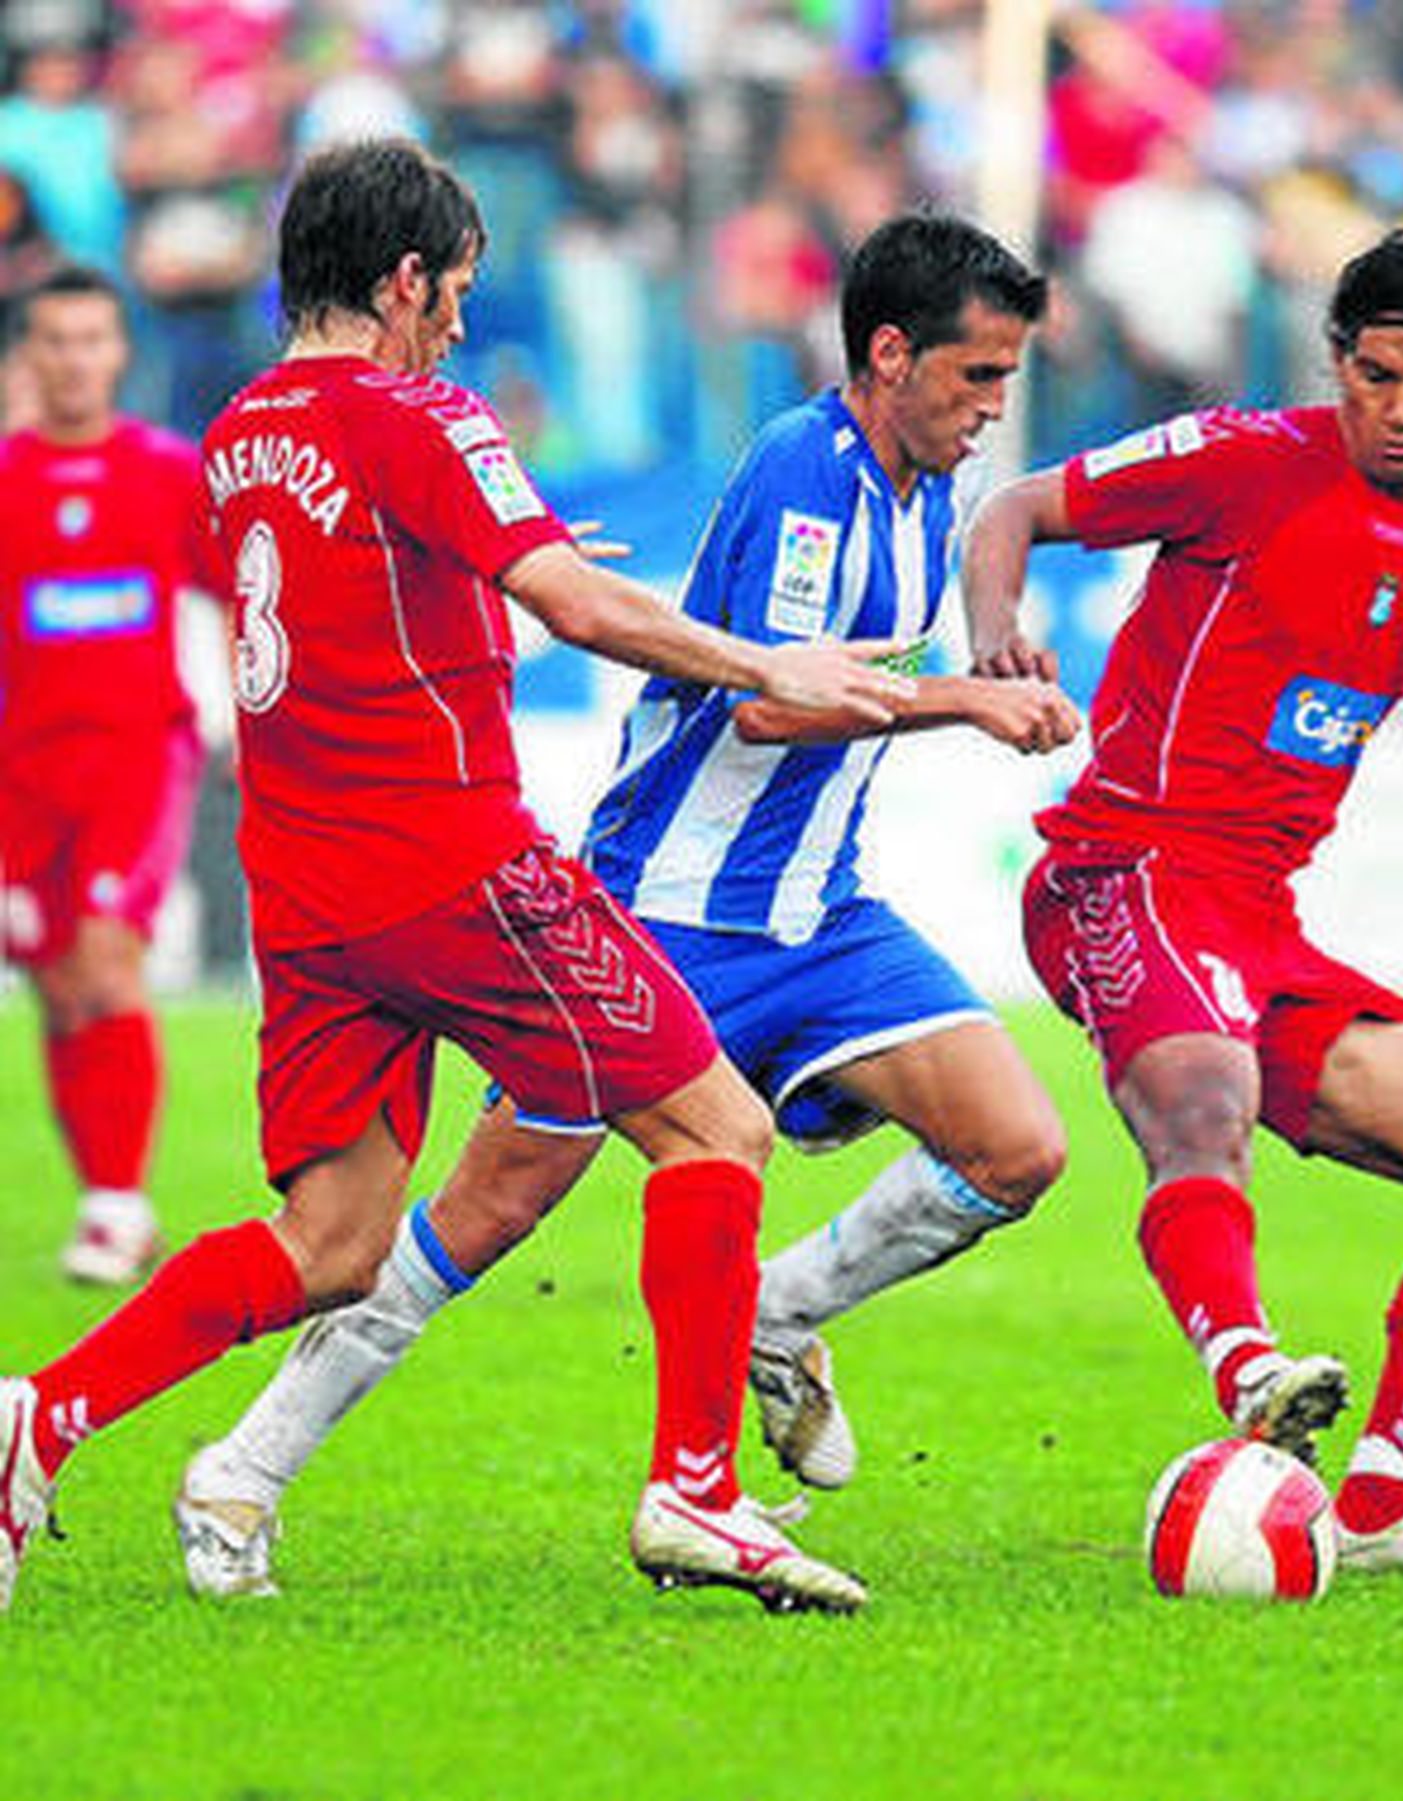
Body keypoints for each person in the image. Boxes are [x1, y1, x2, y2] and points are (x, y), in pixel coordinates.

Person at [0, 137, 913, 1617]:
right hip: (448, 859)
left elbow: (381, 586)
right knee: (716, 1127)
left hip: (303, 885)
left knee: (335, 1242)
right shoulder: (417, 407)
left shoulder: (238, 431)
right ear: (404, 279)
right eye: (458, 292)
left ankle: (39, 1418)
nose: (465, 326)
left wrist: (504, 566)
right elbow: (568, 599)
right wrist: (762, 658)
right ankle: (698, 1487)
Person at [166, 211, 1079, 1600]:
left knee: (1014, 1145)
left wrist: (990, 640)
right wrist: (967, 697)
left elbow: (906, 615)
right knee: (477, 1220)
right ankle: (244, 1467)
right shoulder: (804, 475)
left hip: (817, 913)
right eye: (975, 379)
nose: (991, 409)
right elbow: (775, 703)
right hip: (666, 906)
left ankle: (771, 1309)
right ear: (890, 357)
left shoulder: (928, 486)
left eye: (1007, 381)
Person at [963, 223, 1403, 1579]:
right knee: (1207, 1097)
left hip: (1258, 920)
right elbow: (1007, 508)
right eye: (1377, 376)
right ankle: (1248, 1367)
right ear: (1338, 359)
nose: (1400, 412)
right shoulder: (1243, 459)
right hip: (1122, 869)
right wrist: (996, 639)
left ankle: (1380, 1509)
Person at [0, 265, 218, 1283]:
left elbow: (242, 590)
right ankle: (108, 1205)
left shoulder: (168, 472)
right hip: (23, 772)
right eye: (56, 341)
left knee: (103, 959)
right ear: (29, 356)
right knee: (55, 986)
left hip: (137, 757)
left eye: (92, 339)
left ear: (119, 353)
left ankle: (121, 1203)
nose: (75, 359)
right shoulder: (6, 479)